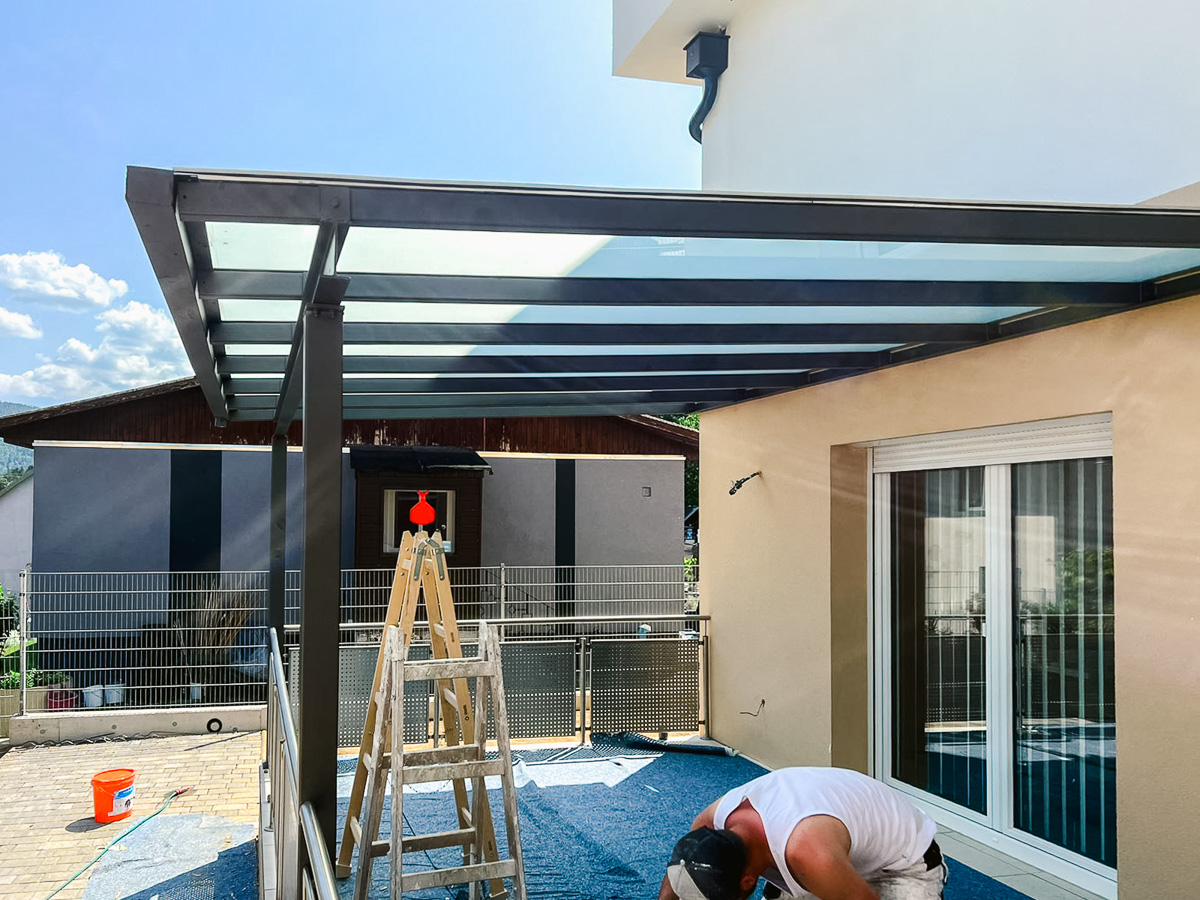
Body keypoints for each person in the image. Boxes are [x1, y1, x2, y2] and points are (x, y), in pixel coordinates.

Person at [660, 767, 947, 900]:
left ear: (749, 881)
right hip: (832, 845)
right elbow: (677, 879)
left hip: (901, 863)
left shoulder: (807, 853)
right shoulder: (707, 826)